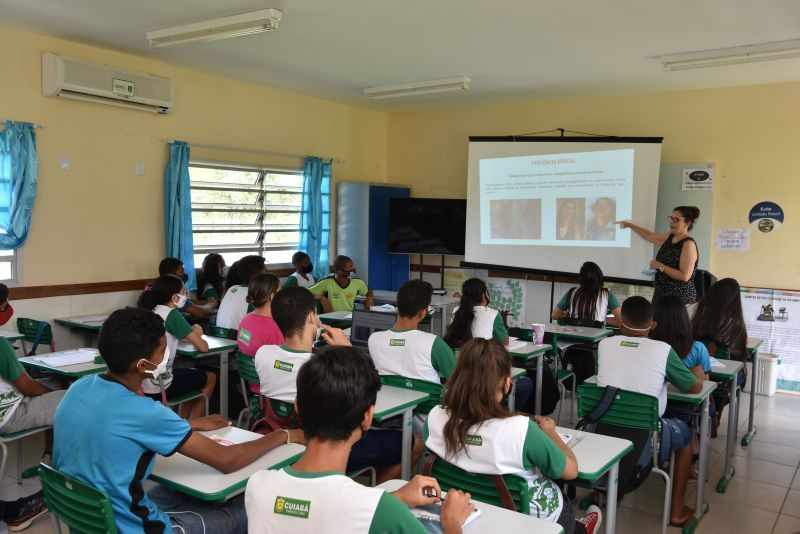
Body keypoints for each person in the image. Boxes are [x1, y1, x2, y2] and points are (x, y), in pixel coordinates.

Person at [53, 307, 304, 534]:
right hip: (141, 529)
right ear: (142, 365)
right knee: (255, 506)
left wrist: (190, 424)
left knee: (187, 491)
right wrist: (284, 434)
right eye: (162, 352)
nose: (166, 357)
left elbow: (117, 426)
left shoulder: (80, 388)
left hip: (92, 519)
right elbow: (227, 460)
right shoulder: (143, 412)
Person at [245, 344, 474, 534]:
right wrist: (451, 522)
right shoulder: (380, 511)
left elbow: (325, 508)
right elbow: (347, 509)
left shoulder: (257, 486)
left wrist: (394, 498)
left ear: (298, 406)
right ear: (367, 417)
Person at [424, 338, 602, 534]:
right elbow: (571, 471)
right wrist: (550, 432)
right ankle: (582, 528)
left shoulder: (434, 417)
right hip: (524, 520)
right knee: (564, 507)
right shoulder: (520, 430)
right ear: (507, 384)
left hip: (463, 511)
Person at [255, 287, 415, 482]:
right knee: (412, 442)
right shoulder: (319, 368)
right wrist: (346, 348)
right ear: (312, 318)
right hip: (328, 444)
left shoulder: (262, 354)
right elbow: (368, 386)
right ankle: (375, 493)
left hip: (280, 436)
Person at [596, 296, 702, 527]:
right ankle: (675, 511)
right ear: (653, 326)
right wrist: (699, 376)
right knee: (684, 435)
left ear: (620, 323)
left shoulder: (604, 344)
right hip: (646, 434)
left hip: (601, 428)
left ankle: (603, 494)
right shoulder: (663, 350)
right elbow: (693, 387)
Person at [368, 280, 456, 431]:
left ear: (397, 307)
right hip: (428, 418)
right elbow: (458, 380)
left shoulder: (374, 339)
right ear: (423, 313)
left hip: (390, 415)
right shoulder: (434, 343)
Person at [138, 275, 215, 419]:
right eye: (183, 291)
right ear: (174, 297)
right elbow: (203, 347)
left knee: (190, 374)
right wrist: (197, 331)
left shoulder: (149, 309)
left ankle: (184, 422)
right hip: (161, 385)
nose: (186, 294)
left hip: (142, 382)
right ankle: (195, 425)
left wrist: (190, 334)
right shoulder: (171, 314)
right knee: (210, 377)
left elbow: (180, 336)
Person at [691, 278, 748, 432]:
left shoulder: (697, 309)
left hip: (698, 370)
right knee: (736, 379)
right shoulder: (735, 320)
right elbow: (740, 352)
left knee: (717, 382)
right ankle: (715, 413)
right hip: (723, 375)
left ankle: (709, 412)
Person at [0, 335, 64, 469]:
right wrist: (51, 395)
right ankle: (54, 464)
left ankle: (49, 457)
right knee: (75, 397)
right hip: (10, 415)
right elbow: (28, 388)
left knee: (57, 386)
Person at [619, 206, 700, 304]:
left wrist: (659, 266)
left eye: (676, 220)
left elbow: (684, 276)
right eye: (671, 218)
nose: (671, 222)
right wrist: (629, 225)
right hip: (661, 294)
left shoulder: (688, 244)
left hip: (678, 299)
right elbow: (649, 236)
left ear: (687, 223)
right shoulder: (669, 238)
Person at [651, 295, 711, 381]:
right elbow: (706, 385)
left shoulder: (648, 346)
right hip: (687, 391)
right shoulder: (698, 348)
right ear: (684, 319)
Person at [551, 262, 621, 326]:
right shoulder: (607, 294)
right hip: (598, 338)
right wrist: (603, 318)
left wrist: (569, 315)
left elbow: (554, 316)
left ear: (581, 279)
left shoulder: (572, 292)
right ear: (599, 277)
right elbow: (621, 319)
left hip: (574, 336)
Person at [444, 278, 508, 348]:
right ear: (484, 295)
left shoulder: (457, 310)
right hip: (481, 357)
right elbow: (504, 342)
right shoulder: (494, 314)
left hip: (459, 356)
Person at [237, 273, 284, 357]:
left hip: (246, 368)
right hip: (264, 369)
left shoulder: (246, 319)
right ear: (272, 297)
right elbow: (282, 361)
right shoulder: (275, 329)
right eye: (281, 292)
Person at [216, 255, 267, 330]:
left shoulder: (232, 289)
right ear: (260, 276)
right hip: (237, 340)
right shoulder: (254, 295)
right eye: (266, 271)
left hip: (220, 337)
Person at [308, 255, 374, 312]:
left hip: (350, 320)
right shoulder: (326, 283)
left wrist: (370, 297)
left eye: (352, 270)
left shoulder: (357, 282)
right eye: (347, 271)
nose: (351, 273)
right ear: (337, 270)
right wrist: (321, 297)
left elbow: (369, 290)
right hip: (332, 321)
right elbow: (303, 293)